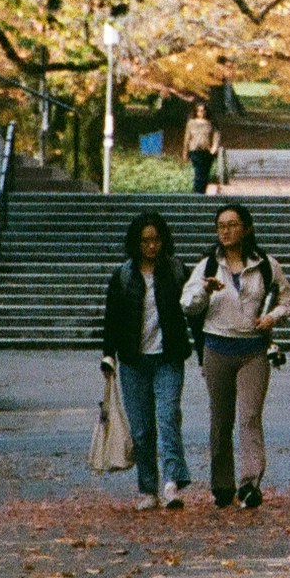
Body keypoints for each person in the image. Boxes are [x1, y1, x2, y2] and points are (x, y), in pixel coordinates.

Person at [182, 200, 290, 509]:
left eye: (232, 225)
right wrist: (206, 290)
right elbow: (187, 304)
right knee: (221, 419)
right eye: (221, 226)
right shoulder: (207, 265)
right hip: (217, 347)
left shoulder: (265, 264)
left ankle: (249, 483)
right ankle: (221, 483)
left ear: (246, 229)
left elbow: (288, 301)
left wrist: (273, 317)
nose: (226, 231)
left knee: (249, 416)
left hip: (253, 351)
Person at [100, 209, 191, 511]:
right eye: (145, 241)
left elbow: (195, 308)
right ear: (135, 244)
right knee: (141, 428)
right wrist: (108, 356)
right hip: (133, 360)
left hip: (168, 357)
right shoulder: (124, 276)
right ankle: (147, 488)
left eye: (156, 240)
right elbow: (111, 319)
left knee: (168, 418)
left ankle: (172, 483)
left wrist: (202, 353)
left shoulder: (177, 271)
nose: (151, 247)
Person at [181, 99, 221, 193]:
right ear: (196, 112)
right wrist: (185, 152)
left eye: (203, 110)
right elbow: (187, 138)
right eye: (199, 111)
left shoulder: (210, 123)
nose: (202, 113)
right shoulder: (191, 123)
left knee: (205, 173)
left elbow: (216, 135)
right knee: (198, 172)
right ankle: (196, 193)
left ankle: (202, 192)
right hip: (195, 150)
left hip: (207, 151)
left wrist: (214, 147)